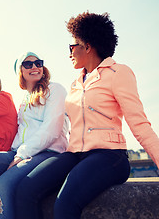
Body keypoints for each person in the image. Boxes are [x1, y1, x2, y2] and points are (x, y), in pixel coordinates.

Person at [15, 12, 159, 219]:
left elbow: (140, 125)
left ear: (88, 46)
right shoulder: (76, 84)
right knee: (25, 190)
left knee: (64, 203)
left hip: (109, 156)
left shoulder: (119, 73)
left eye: (72, 46)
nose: (69, 52)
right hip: (75, 154)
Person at [0, 52, 69, 219]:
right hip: (20, 152)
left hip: (46, 152)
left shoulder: (55, 89)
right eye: (28, 64)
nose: (34, 67)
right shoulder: (24, 100)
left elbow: (52, 130)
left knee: (4, 183)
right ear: (20, 72)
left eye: (38, 63)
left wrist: (21, 155)